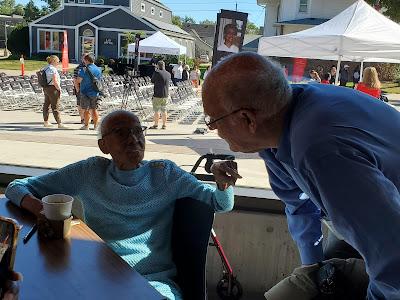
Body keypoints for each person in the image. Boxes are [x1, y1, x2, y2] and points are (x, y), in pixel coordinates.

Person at [202, 52, 400, 300]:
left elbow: (393, 260)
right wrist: (315, 275)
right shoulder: (278, 121)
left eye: (213, 120)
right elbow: (298, 204)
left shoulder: (319, 149)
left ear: (247, 119)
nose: (214, 130)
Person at [5, 110, 238, 300]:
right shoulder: (89, 171)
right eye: (121, 132)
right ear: (103, 146)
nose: (133, 138)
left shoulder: (164, 173)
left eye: (138, 131)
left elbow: (219, 203)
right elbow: (16, 187)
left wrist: (223, 183)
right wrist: (39, 208)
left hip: (152, 279)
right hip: (95, 276)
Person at [76, 54, 102, 130]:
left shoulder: (83, 69)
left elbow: (79, 80)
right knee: (94, 109)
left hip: (85, 92)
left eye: (84, 60)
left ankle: (86, 126)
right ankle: (96, 126)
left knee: (86, 110)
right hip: (95, 92)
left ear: (86, 60)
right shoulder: (98, 69)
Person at [42, 55, 67, 129]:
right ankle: (59, 123)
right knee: (55, 106)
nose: (58, 63)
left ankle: (46, 121)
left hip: (46, 88)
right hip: (53, 88)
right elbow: (55, 81)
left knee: (46, 105)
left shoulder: (45, 68)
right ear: (53, 61)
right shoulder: (53, 69)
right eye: (57, 61)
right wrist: (59, 89)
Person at [149, 61, 171, 130]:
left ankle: (156, 124)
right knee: (164, 111)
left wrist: (156, 70)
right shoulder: (168, 74)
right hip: (165, 95)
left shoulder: (157, 73)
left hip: (157, 95)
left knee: (156, 111)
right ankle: (164, 125)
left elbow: (152, 81)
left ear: (158, 66)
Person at [73, 53, 87, 124]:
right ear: (82, 59)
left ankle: (87, 118)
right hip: (80, 88)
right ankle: (82, 119)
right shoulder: (78, 68)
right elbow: (75, 80)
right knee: (80, 104)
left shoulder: (91, 67)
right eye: (85, 58)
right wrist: (78, 90)